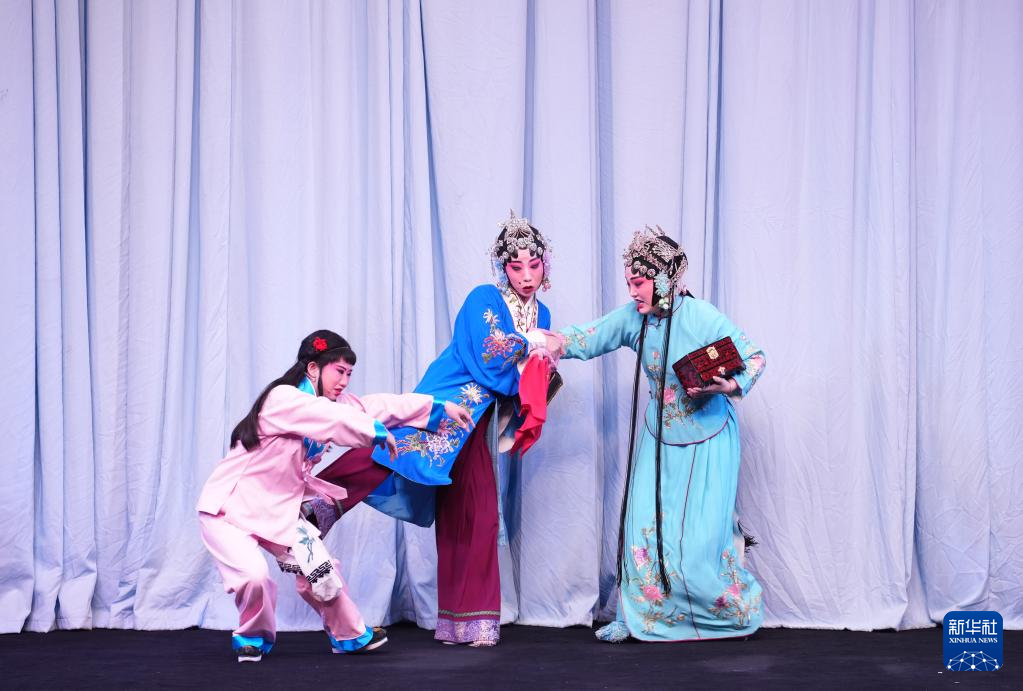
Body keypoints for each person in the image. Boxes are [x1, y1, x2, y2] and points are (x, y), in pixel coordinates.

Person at [317, 211, 560, 647]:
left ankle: (467, 620)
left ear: (546, 264)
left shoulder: (540, 311)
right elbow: (490, 357)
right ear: (502, 267)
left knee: (474, 513)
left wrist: (538, 367)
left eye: (534, 265)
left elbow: (525, 375)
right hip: (449, 400)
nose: (526, 276)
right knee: (388, 453)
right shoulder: (484, 298)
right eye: (515, 266)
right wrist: (535, 344)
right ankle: (313, 503)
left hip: (481, 418)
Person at [556, 226, 766, 643]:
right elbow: (590, 336)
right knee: (642, 528)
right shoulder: (636, 317)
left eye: (639, 282)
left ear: (666, 279)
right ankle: (636, 616)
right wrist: (549, 343)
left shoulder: (702, 316)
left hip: (709, 439)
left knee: (699, 541)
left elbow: (754, 357)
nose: (633, 292)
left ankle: (728, 616)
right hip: (659, 439)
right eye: (629, 283)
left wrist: (728, 385)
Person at [196, 330, 399, 661]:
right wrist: (374, 432)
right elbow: (331, 419)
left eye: (349, 373)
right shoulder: (283, 398)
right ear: (313, 368)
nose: (345, 381)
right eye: (339, 371)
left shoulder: (330, 405)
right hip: (229, 508)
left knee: (321, 569)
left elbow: (380, 406)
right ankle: (252, 636)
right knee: (253, 576)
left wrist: (437, 408)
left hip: (278, 508)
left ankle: (348, 635)